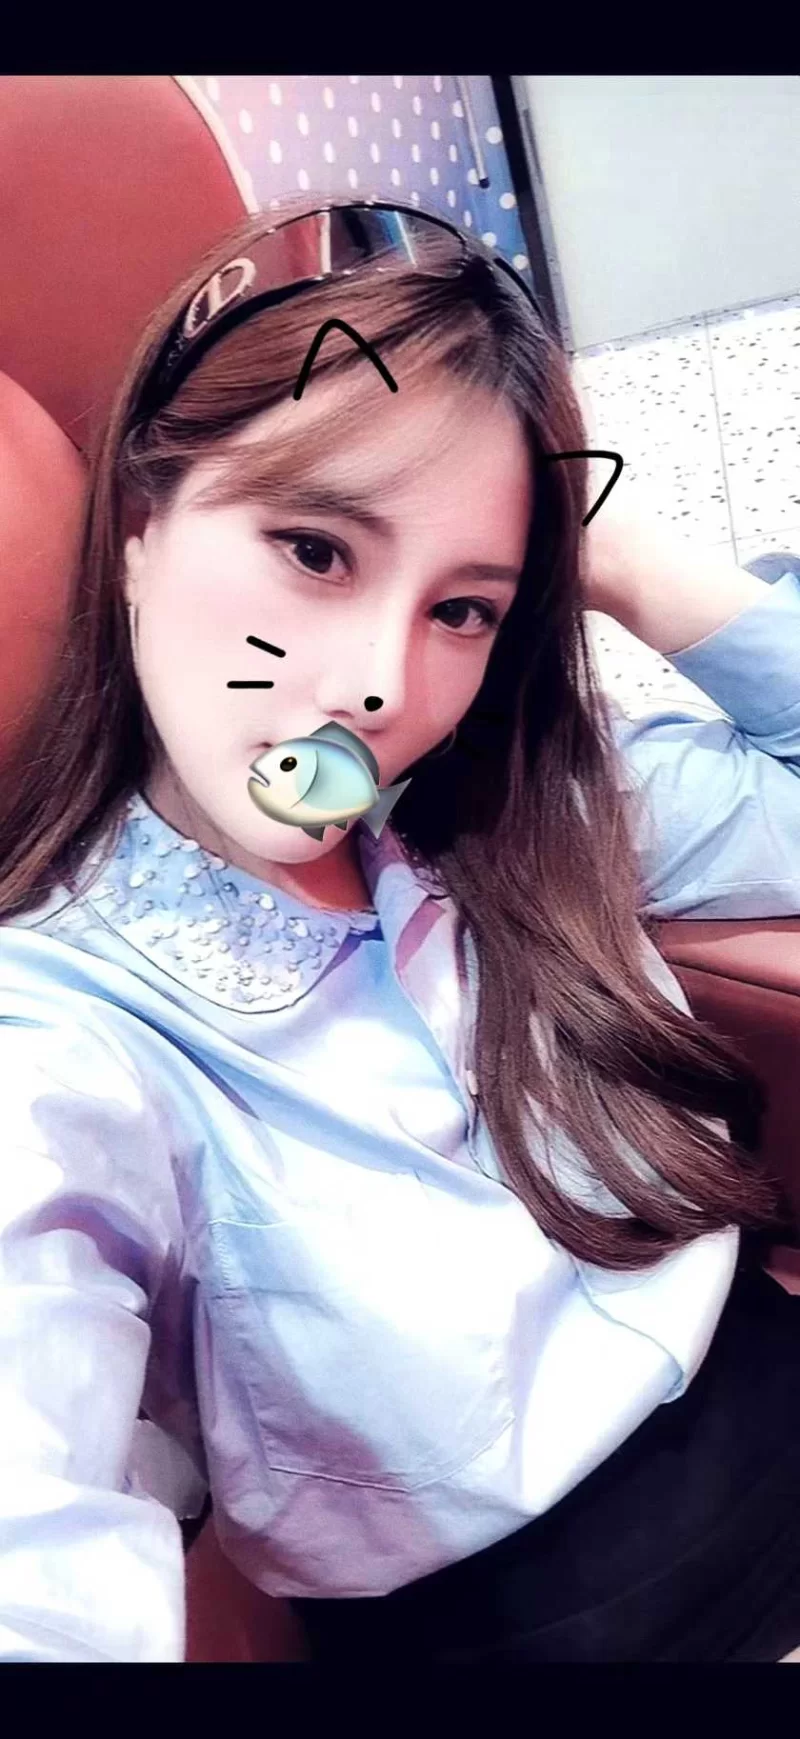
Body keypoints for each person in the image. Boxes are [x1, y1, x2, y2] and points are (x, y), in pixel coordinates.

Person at [0, 194, 799, 1666]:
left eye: (463, 610)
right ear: (137, 530)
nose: (381, 684)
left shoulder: (528, 805)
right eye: (315, 549)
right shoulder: (61, 1028)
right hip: (555, 1629)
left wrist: (603, 551)